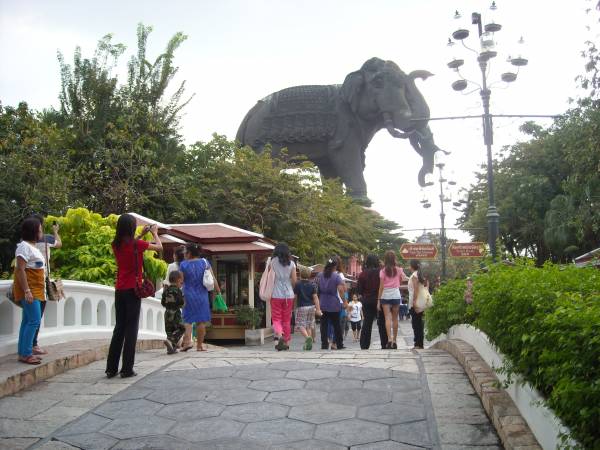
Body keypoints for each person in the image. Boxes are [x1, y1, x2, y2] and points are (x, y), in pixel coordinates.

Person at [106, 215, 162, 378]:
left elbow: (130, 247)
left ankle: (111, 368)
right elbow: (158, 247)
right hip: (133, 289)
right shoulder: (137, 244)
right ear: (131, 227)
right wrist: (155, 233)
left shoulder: (115, 244)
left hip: (120, 289)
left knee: (119, 328)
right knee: (131, 329)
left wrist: (142, 235)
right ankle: (127, 369)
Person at [13, 218, 46, 365]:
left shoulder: (32, 247)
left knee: (27, 320)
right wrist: (27, 290)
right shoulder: (23, 247)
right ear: (34, 231)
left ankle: (23, 352)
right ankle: (26, 353)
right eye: (39, 229)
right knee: (34, 320)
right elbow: (20, 269)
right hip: (30, 289)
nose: (41, 231)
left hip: (37, 289)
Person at [179, 243, 220, 352]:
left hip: (188, 294)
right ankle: (199, 346)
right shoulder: (205, 262)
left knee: (187, 319)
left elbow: (181, 281)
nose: (183, 254)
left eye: (185, 252)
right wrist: (218, 291)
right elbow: (213, 278)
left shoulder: (183, 265)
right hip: (202, 295)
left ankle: (187, 342)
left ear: (189, 253)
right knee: (201, 321)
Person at [31, 214, 62, 356]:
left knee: (29, 317)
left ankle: (29, 345)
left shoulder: (23, 242)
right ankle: (33, 344)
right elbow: (59, 244)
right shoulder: (46, 239)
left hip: (29, 280)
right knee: (37, 315)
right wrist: (56, 231)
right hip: (41, 280)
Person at [377, 250, 407, 349]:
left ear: (385, 259)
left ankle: (389, 339)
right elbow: (402, 280)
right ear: (394, 259)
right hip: (395, 294)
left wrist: (378, 300)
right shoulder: (399, 270)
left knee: (387, 318)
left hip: (385, 295)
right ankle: (394, 341)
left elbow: (381, 287)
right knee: (395, 318)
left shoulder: (382, 271)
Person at [269, 243, 297, 351]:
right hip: (288, 295)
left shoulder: (272, 262)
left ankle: (279, 336)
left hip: (275, 294)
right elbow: (294, 281)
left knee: (276, 318)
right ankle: (286, 342)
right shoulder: (292, 263)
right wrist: (293, 290)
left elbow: (269, 277)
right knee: (286, 320)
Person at [357, 254, 388, 350]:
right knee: (382, 322)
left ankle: (364, 345)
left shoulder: (362, 274)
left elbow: (359, 290)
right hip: (379, 299)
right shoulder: (381, 272)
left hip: (367, 300)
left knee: (367, 323)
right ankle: (384, 344)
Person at [317, 258, 346, 350]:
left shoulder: (320, 275)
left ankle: (324, 344)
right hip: (334, 303)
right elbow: (341, 290)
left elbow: (316, 287)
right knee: (336, 325)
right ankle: (339, 344)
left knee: (323, 325)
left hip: (322, 302)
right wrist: (344, 301)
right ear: (334, 266)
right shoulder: (336, 276)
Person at [294, 266, 321, 351]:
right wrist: (318, 309)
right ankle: (308, 343)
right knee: (309, 325)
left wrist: (294, 307)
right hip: (311, 307)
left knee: (300, 325)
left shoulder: (298, 284)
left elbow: (295, 297)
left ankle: (307, 337)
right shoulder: (312, 285)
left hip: (302, 307)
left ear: (301, 274)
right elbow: (315, 297)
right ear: (309, 275)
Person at [161, 270, 185, 354]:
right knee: (181, 328)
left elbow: (162, 302)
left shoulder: (166, 290)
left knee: (169, 331)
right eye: (181, 282)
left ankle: (171, 349)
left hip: (167, 313)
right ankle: (170, 341)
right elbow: (181, 302)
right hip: (175, 314)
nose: (181, 283)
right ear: (178, 280)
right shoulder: (178, 291)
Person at [408, 259, 428, 350]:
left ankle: (418, 344)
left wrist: (414, 302)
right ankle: (420, 344)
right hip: (421, 302)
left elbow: (416, 290)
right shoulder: (419, 275)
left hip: (415, 302)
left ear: (411, 266)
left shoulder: (414, 276)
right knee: (419, 323)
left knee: (416, 324)